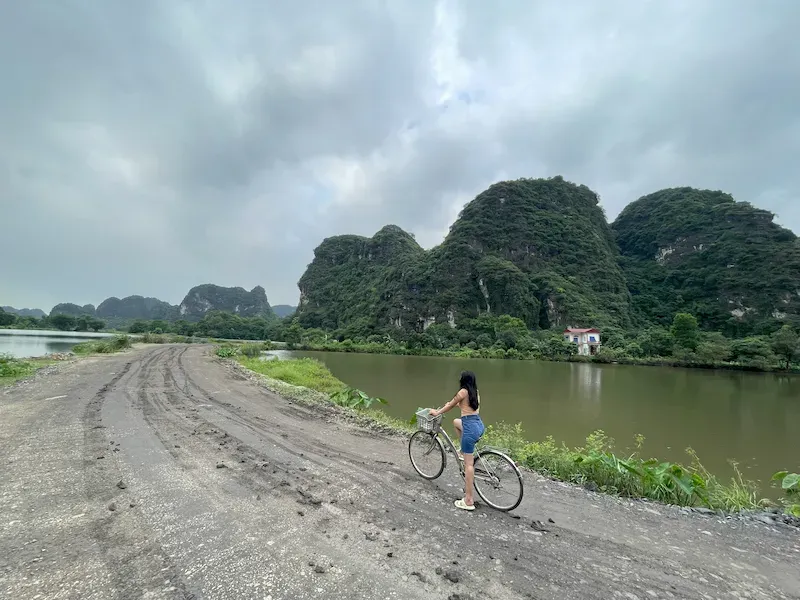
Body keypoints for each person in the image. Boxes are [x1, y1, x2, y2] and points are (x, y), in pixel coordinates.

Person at [430, 370, 484, 511]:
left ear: (463, 380)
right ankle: (462, 451)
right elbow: (468, 406)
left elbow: (450, 406)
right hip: (478, 425)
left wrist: (437, 412)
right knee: (455, 422)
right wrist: (458, 405)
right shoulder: (475, 392)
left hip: (470, 428)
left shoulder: (462, 392)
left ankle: (468, 500)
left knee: (469, 465)